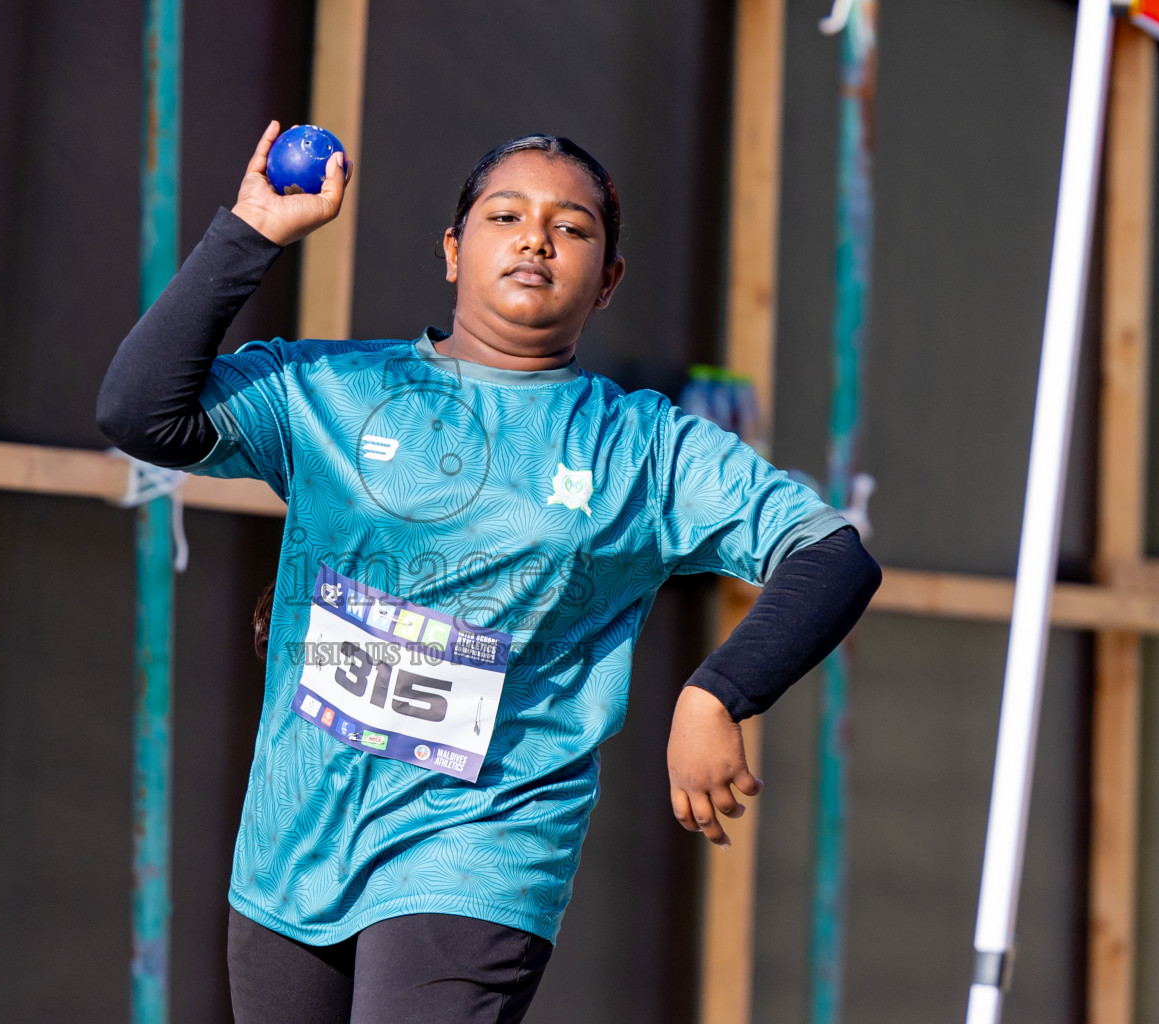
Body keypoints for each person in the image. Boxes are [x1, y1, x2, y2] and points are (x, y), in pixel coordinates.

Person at [97, 121, 881, 1024]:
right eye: (505, 214)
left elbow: (831, 554)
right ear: (452, 250)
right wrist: (251, 233)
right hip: (294, 840)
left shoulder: (647, 450)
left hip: (482, 846)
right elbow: (139, 412)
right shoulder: (328, 391)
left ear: (609, 281)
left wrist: (718, 693)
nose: (536, 237)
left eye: (573, 227)